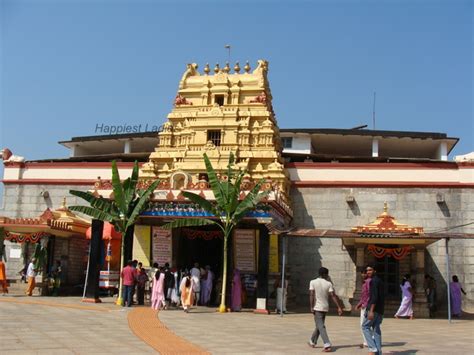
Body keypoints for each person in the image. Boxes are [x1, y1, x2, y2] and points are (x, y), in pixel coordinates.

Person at [308, 267, 343, 352]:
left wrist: (311, 306)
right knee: (319, 325)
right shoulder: (328, 284)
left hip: (317, 307)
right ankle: (312, 341)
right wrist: (339, 307)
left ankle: (327, 344)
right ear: (325, 274)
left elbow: (311, 295)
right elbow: (333, 296)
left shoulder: (313, 282)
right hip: (325, 307)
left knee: (320, 326)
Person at [362, 264, 385, 355]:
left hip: (374, 309)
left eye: (370, 270)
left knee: (365, 326)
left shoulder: (373, 281)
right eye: (367, 270)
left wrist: (371, 311)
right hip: (380, 309)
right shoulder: (380, 281)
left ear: (375, 271)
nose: (368, 272)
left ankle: (372, 348)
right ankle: (378, 352)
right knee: (376, 329)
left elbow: (374, 297)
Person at [355, 270, 371, 349]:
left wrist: (365, 304)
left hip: (367, 307)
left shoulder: (368, 282)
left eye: (365, 273)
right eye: (362, 273)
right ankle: (367, 341)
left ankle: (367, 342)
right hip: (364, 305)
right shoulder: (365, 283)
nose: (363, 274)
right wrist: (359, 304)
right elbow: (363, 296)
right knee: (364, 325)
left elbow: (370, 295)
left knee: (364, 325)